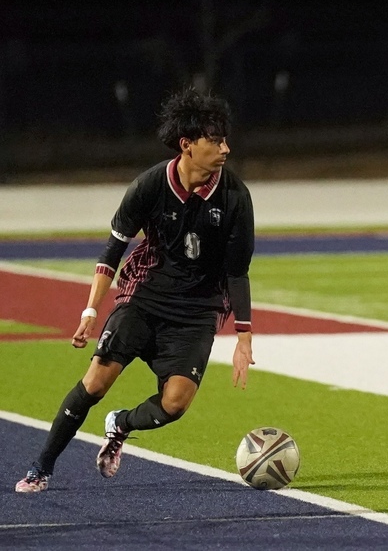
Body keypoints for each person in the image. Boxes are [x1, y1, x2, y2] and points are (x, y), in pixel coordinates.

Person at [15, 88, 256, 493]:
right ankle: (41, 467)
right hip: (143, 298)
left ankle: (120, 424)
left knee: (176, 403)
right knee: (94, 383)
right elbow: (112, 251)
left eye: (225, 139)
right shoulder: (149, 186)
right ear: (188, 145)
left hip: (198, 310)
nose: (225, 148)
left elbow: (238, 271)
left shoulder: (235, 197)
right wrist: (90, 312)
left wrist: (245, 336)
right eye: (215, 140)